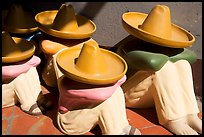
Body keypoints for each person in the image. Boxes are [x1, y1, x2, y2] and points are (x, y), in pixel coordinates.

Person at [116, 5, 202, 135]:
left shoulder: (163, 52)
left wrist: (169, 52)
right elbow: (153, 63)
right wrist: (169, 54)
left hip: (149, 96)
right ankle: (174, 120)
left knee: (183, 64)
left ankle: (191, 115)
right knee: (163, 69)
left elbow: (190, 57)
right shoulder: (129, 48)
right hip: (127, 95)